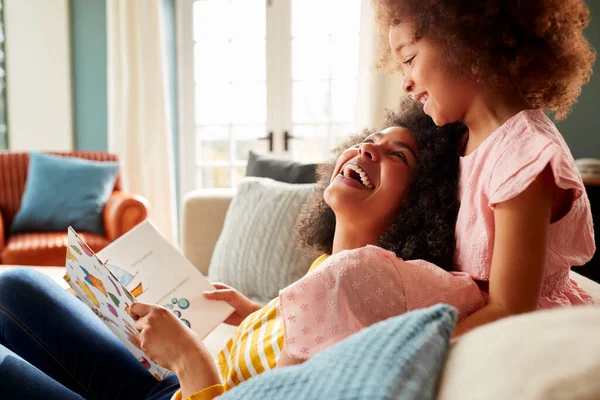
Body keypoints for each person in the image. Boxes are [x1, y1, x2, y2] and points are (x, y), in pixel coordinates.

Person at [0, 102, 479, 400]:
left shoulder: (361, 290)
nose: (368, 150)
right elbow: (298, 334)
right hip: (170, 387)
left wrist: (188, 358)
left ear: (420, 207)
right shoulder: (325, 270)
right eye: (370, 141)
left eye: (398, 156)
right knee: (15, 283)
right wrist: (253, 311)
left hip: (192, 384)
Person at [372, 0, 596, 337]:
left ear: (466, 43)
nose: (405, 81)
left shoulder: (524, 158)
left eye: (409, 59)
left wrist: (405, 346)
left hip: (519, 335)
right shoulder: (458, 140)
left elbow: (510, 309)